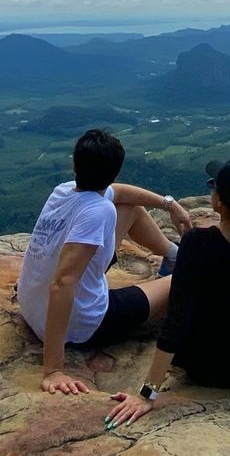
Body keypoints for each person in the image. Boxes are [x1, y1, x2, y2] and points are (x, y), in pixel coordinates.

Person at [104, 158, 230, 448]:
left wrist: (147, 395)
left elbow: (177, 320)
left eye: (214, 186)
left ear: (219, 202)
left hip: (202, 365)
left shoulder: (196, 244)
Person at [17, 128, 192, 395]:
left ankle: (173, 256)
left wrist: (169, 204)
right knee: (189, 277)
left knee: (130, 207)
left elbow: (121, 194)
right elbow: (63, 283)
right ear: (115, 171)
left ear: (75, 165)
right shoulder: (98, 210)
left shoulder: (62, 191)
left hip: (32, 307)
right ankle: (181, 265)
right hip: (83, 325)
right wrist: (53, 369)